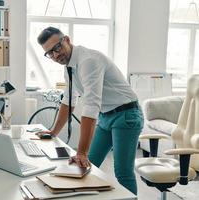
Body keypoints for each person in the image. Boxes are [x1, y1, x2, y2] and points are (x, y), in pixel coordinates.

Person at [36, 27, 144, 195]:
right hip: (106, 117)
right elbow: (69, 99)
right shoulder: (68, 66)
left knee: (122, 172)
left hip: (126, 115)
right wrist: (53, 132)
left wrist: (81, 152)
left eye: (57, 48)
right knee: (87, 164)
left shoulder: (88, 60)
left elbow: (92, 105)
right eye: (49, 53)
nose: (55, 55)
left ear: (67, 40)